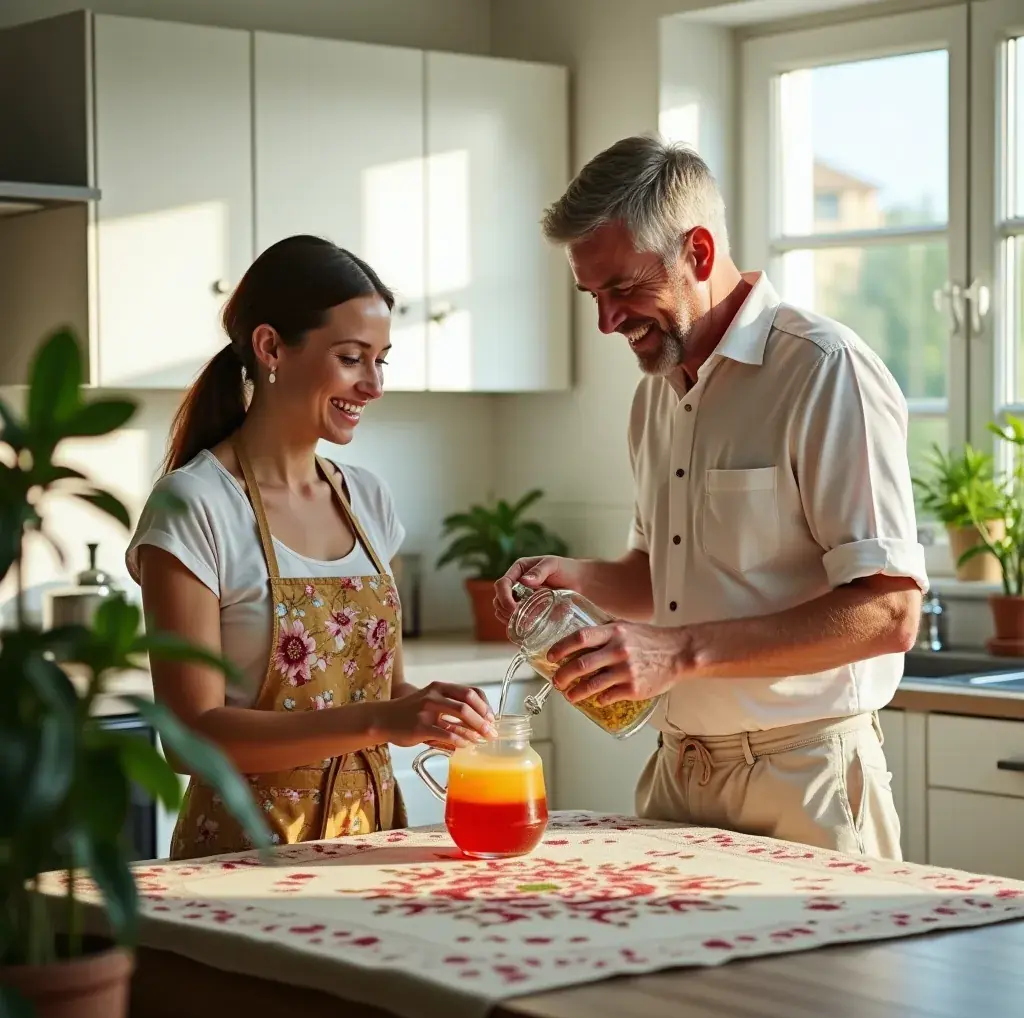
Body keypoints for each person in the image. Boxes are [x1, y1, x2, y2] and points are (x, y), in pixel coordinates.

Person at [495, 135, 927, 859]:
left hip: (805, 777)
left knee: (823, 980)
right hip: (676, 775)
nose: (607, 321)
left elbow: (889, 611)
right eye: (593, 295)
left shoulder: (824, 370)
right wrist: (578, 576)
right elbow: (661, 578)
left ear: (696, 252)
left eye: (624, 288)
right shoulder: (657, 397)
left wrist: (680, 655)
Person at [127, 235, 496, 859]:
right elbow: (190, 738)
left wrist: (432, 708)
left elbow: (385, 690)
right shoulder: (196, 506)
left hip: (373, 844)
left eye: (382, 359)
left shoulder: (369, 501)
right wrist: (382, 721)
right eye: (352, 357)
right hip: (242, 859)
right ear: (271, 347)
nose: (373, 385)